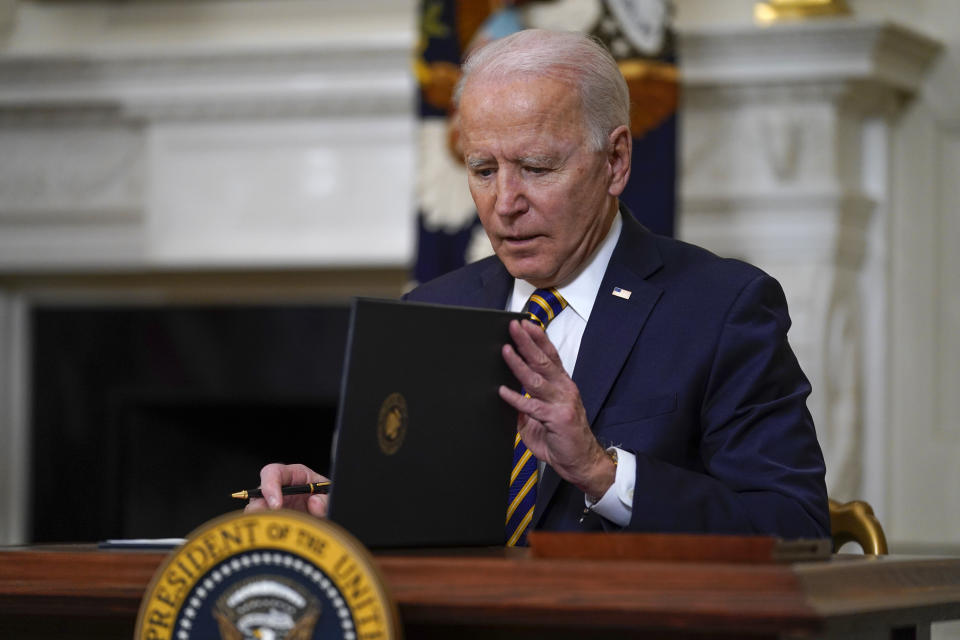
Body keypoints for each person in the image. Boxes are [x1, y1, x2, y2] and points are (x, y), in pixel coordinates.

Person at [246, 29, 829, 541]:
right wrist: (333, 508)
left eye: (537, 168)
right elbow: (416, 516)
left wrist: (603, 473)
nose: (504, 205)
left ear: (616, 161)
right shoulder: (431, 310)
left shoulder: (720, 309)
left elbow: (793, 527)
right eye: (482, 171)